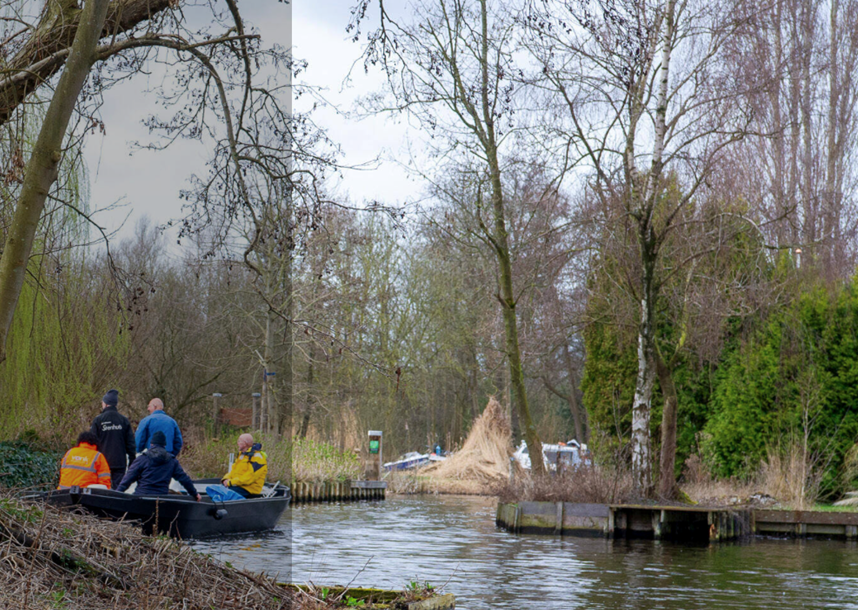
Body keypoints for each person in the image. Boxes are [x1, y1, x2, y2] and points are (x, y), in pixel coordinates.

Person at [116, 431, 201, 501]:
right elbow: (184, 479)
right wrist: (194, 494)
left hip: (141, 497)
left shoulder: (142, 459)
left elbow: (128, 479)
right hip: (161, 499)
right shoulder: (171, 461)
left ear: (151, 444)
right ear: (164, 445)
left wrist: (117, 494)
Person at [90, 389, 136, 489]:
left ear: (106, 404)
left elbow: (92, 443)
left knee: (102, 490)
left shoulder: (98, 420)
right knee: (118, 491)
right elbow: (131, 445)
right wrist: (132, 464)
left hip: (102, 462)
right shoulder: (124, 420)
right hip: (119, 463)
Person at [221, 433, 268, 498]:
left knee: (225, 494)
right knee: (216, 490)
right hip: (238, 486)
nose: (238, 443)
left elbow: (249, 478)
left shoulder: (258, 458)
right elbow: (233, 471)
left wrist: (231, 482)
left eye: (239, 441)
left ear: (245, 443)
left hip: (249, 489)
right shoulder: (242, 455)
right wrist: (226, 479)